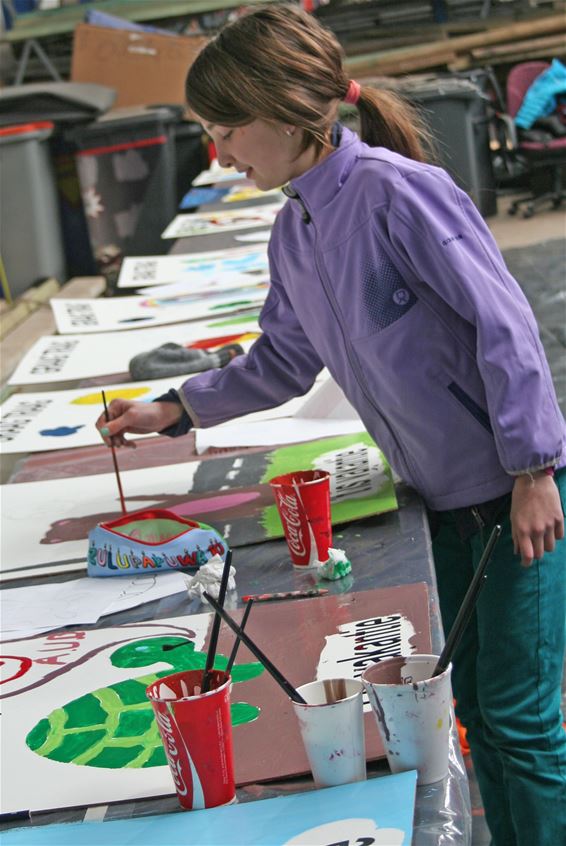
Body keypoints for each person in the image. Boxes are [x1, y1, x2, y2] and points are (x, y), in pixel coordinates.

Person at [96, 6, 566, 843]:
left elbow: (507, 325)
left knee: (521, 719)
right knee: (478, 712)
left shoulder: (396, 194)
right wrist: (172, 409)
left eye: (228, 129)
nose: (222, 152)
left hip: (512, 499)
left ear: (285, 111)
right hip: (441, 503)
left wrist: (535, 472)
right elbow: (280, 359)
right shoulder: (297, 229)